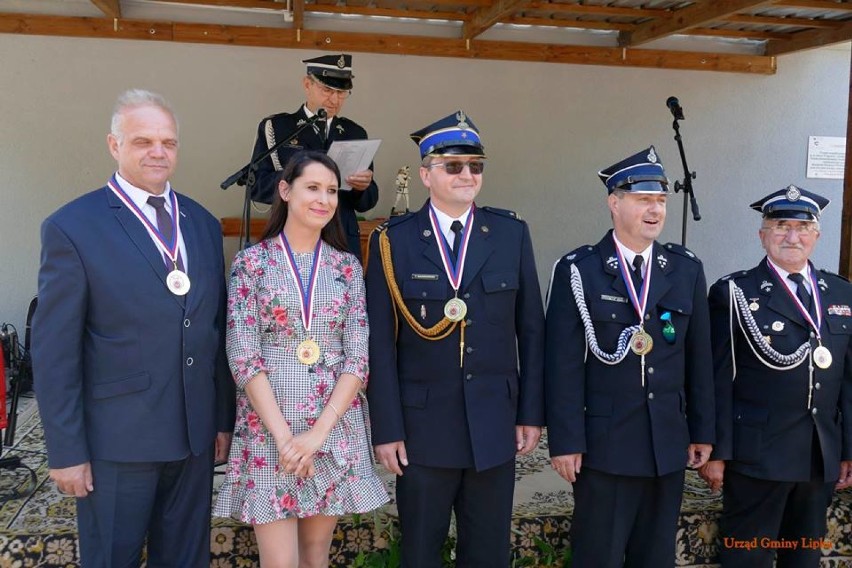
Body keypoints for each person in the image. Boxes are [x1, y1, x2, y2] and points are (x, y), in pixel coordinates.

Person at [31, 89, 235, 567]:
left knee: (186, 559)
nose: (158, 152)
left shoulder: (201, 223)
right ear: (113, 145)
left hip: (192, 436)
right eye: (143, 141)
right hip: (117, 440)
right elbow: (54, 350)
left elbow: (213, 330)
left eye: (168, 142)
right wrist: (66, 450)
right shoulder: (73, 226)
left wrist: (222, 419)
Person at [366, 111, 545, 567]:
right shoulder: (393, 241)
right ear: (426, 174)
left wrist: (530, 413)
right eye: (454, 166)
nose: (467, 174)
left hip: (494, 422)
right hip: (423, 427)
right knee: (421, 551)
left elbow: (531, 330)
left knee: (487, 552)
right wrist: (386, 428)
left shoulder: (510, 233)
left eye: (476, 166)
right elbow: (380, 345)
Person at [214, 150, 388, 567]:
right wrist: (284, 439)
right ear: (285, 191)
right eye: (313, 187)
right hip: (270, 430)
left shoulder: (347, 267)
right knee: (281, 562)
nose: (324, 199)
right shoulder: (251, 264)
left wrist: (317, 435)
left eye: (331, 190)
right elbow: (243, 355)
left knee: (315, 555)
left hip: (329, 429)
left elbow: (357, 358)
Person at [544, 146, 715, 567]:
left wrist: (702, 431)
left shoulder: (685, 268)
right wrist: (565, 441)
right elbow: (562, 365)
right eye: (643, 199)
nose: (655, 210)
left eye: (660, 200)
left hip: (666, 443)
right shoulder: (579, 270)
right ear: (614, 203)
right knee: (598, 554)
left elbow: (700, 360)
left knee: (655, 556)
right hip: (605, 445)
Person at [699, 185, 852, 568]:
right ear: (763, 234)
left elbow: (848, 382)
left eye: (802, 227)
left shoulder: (841, 292)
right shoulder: (734, 293)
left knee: (803, 557)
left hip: (818, 456)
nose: (792, 236)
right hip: (757, 455)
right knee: (746, 556)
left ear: (817, 235)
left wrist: (848, 450)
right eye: (781, 225)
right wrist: (717, 451)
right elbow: (716, 379)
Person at [249, 53, 378, 262]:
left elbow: (368, 201)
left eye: (342, 93)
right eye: (327, 90)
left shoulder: (355, 132)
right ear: (307, 84)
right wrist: (300, 179)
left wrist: (361, 187)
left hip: (341, 237)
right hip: (292, 235)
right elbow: (256, 186)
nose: (334, 99)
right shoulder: (279, 128)